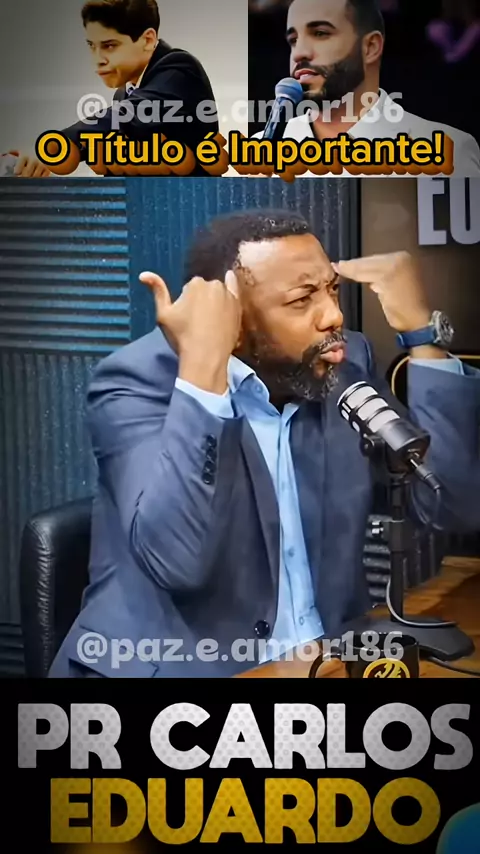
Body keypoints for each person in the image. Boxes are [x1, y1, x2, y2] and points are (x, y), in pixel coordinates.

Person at [48, 208, 480, 678]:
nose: (334, 315)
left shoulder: (340, 362)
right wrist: (203, 372)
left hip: (325, 661)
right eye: (302, 299)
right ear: (232, 315)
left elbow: (451, 504)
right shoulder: (135, 382)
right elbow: (176, 562)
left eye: (332, 289)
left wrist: (422, 335)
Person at [253, 0, 480, 177]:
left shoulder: (447, 153)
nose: (299, 53)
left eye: (320, 34)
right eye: (293, 40)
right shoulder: (258, 154)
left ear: (370, 47)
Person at [7, 0, 218, 178]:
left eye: (109, 46)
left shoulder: (179, 70)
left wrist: (54, 148)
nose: (97, 59)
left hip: (195, 211)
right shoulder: (125, 93)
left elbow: (129, 118)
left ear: (148, 40)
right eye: (92, 46)